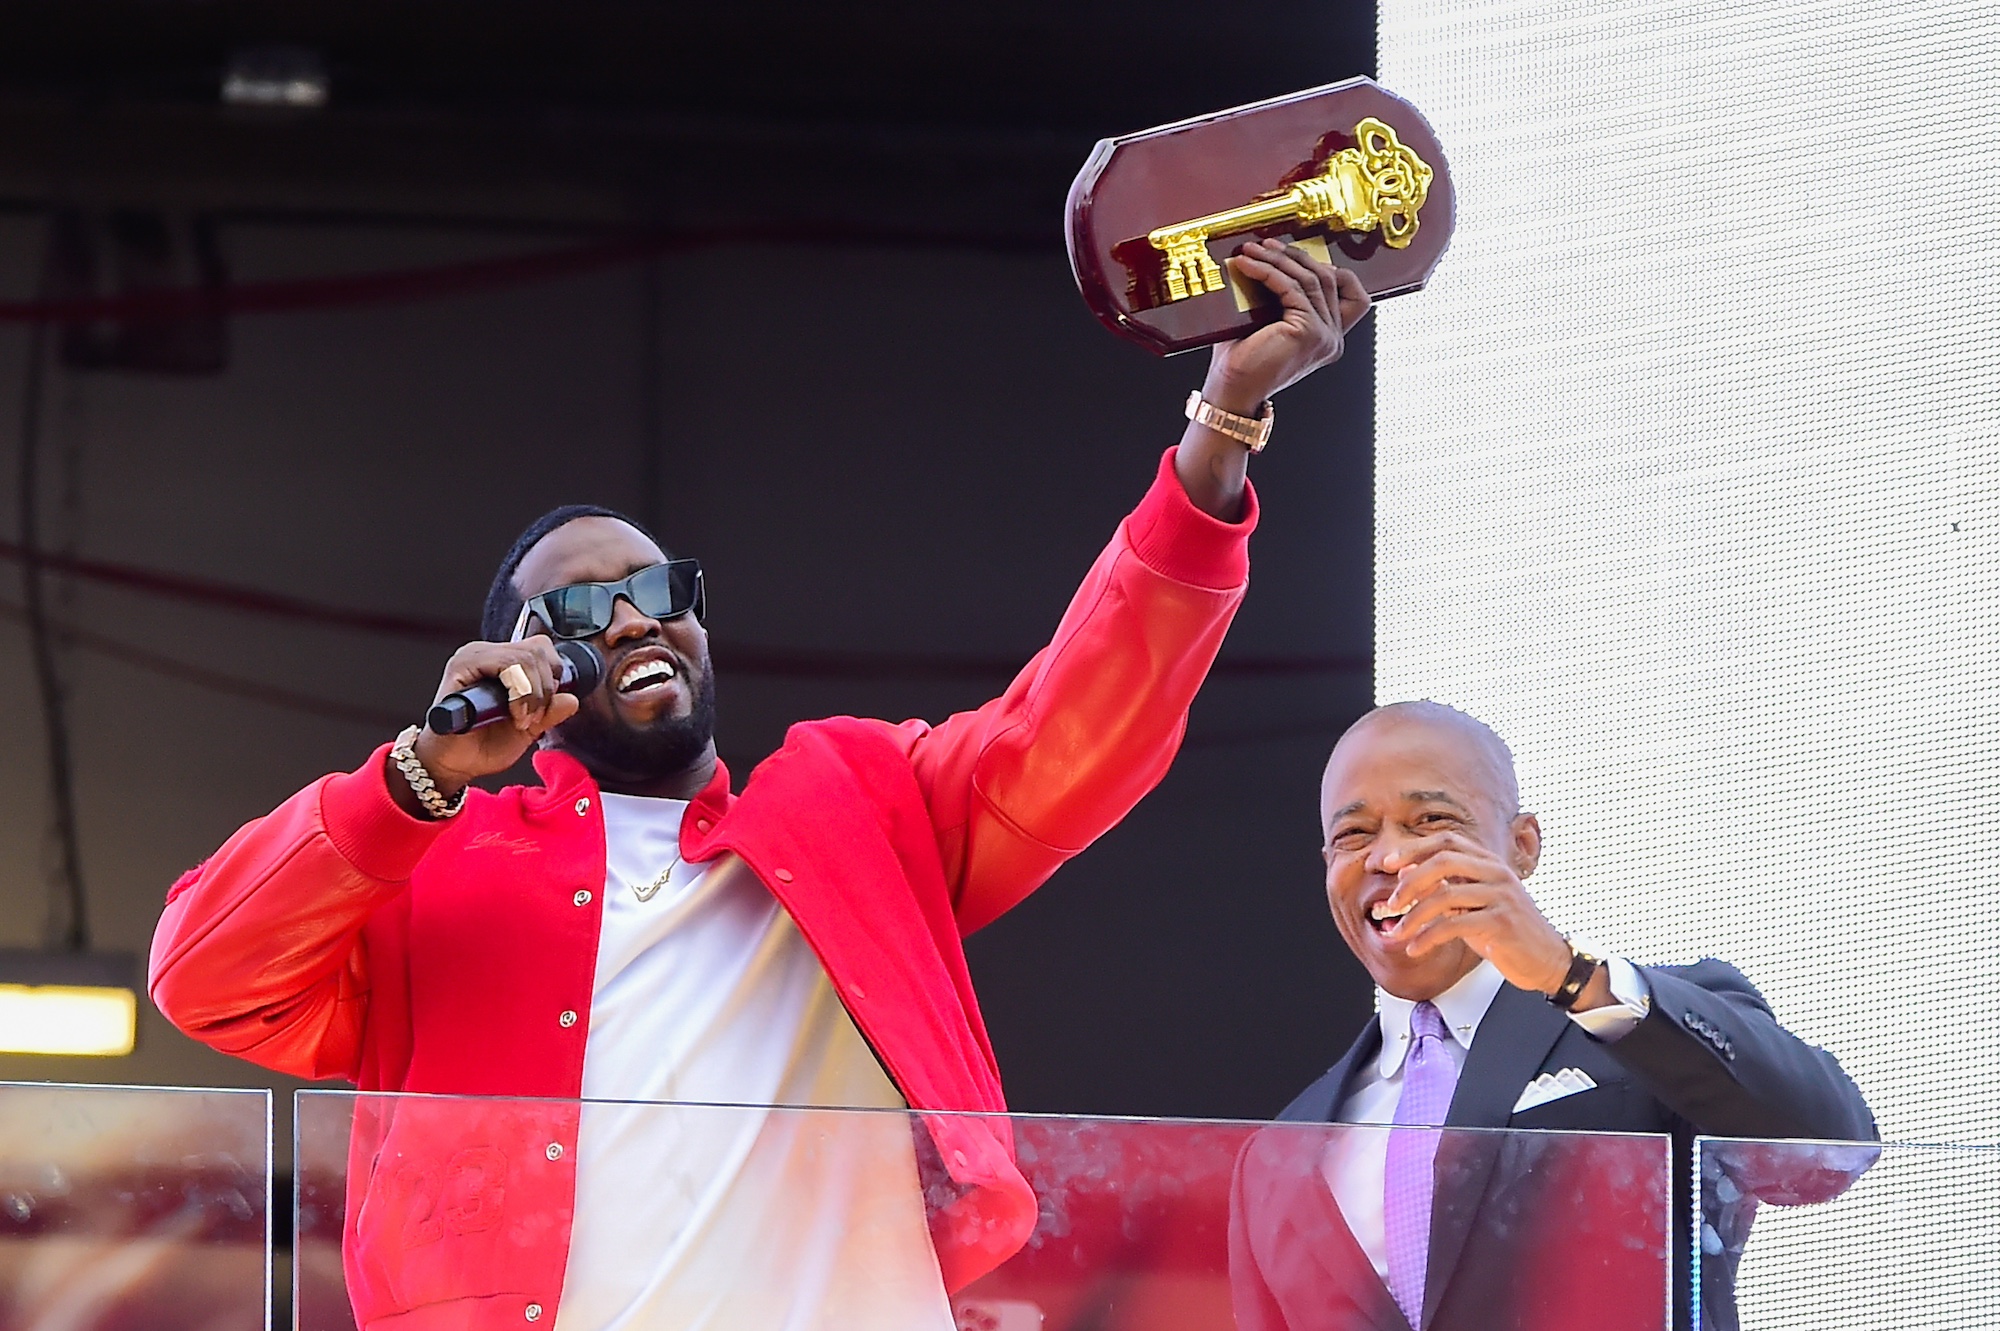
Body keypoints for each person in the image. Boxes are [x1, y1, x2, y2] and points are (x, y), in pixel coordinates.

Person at [150, 241, 1373, 1331]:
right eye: (579, 605)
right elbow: (205, 974)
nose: (632, 615)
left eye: (660, 588)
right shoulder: (435, 861)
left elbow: (1075, 732)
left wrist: (1221, 425)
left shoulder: (857, 801)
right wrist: (414, 777)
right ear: (523, 658)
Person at [1229, 701, 1876, 1331]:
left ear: (1522, 846)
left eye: (1429, 819)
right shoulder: (1275, 1159)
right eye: (1354, 833)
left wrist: (1569, 975)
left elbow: (1826, 1153)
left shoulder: (1633, 1024)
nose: (1390, 857)